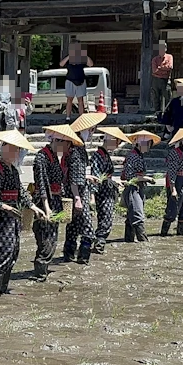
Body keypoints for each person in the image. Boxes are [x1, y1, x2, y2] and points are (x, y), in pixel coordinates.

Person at [0, 130, 43, 298]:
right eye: (14, 149)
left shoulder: (14, 171)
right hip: (2, 220)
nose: (16, 153)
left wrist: (32, 206)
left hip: (15, 219)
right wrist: (5, 207)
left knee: (13, 252)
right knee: (2, 253)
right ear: (4, 148)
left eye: (18, 150)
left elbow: (21, 192)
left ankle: (3, 288)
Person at [30, 125, 82, 281]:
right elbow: (42, 184)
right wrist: (46, 207)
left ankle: (42, 270)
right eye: (66, 145)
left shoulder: (55, 157)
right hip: (45, 202)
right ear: (58, 141)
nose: (67, 149)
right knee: (46, 238)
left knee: (52, 238)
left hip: (57, 201)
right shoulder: (42, 157)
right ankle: (40, 272)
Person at [64, 112, 104, 264]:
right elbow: (73, 177)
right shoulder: (76, 151)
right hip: (77, 193)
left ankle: (68, 255)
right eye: (92, 130)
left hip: (78, 191)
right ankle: (83, 257)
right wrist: (78, 199)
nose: (92, 133)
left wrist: (87, 177)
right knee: (87, 229)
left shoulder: (78, 148)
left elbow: (77, 173)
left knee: (73, 226)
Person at [90, 127, 125, 252]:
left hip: (108, 191)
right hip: (102, 193)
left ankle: (99, 244)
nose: (117, 146)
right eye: (117, 143)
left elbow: (106, 175)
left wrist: (115, 181)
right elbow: (96, 176)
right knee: (105, 218)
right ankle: (98, 244)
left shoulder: (104, 155)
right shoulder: (98, 156)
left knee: (107, 218)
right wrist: (92, 195)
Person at [121, 130, 158, 243]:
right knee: (138, 215)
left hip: (139, 188)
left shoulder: (139, 155)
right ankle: (143, 241)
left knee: (131, 215)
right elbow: (130, 177)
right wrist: (146, 178)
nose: (149, 147)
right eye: (147, 144)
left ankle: (129, 240)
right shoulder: (133, 156)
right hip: (133, 188)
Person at [59, 42, 93, 118]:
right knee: (69, 99)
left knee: (80, 100)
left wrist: (84, 54)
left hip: (80, 80)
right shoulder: (68, 58)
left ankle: (81, 117)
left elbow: (90, 64)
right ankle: (68, 117)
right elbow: (61, 64)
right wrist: (69, 56)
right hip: (70, 80)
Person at [151, 41, 174, 113]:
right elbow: (154, 70)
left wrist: (160, 68)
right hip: (156, 79)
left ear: (166, 49)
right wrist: (164, 69)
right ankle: (157, 113)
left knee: (168, 97)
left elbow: (170, 67)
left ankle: (168, 113)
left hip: (166, 80)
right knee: (156, 97)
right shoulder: (155, 59)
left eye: (163, 48)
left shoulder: (169, 57)